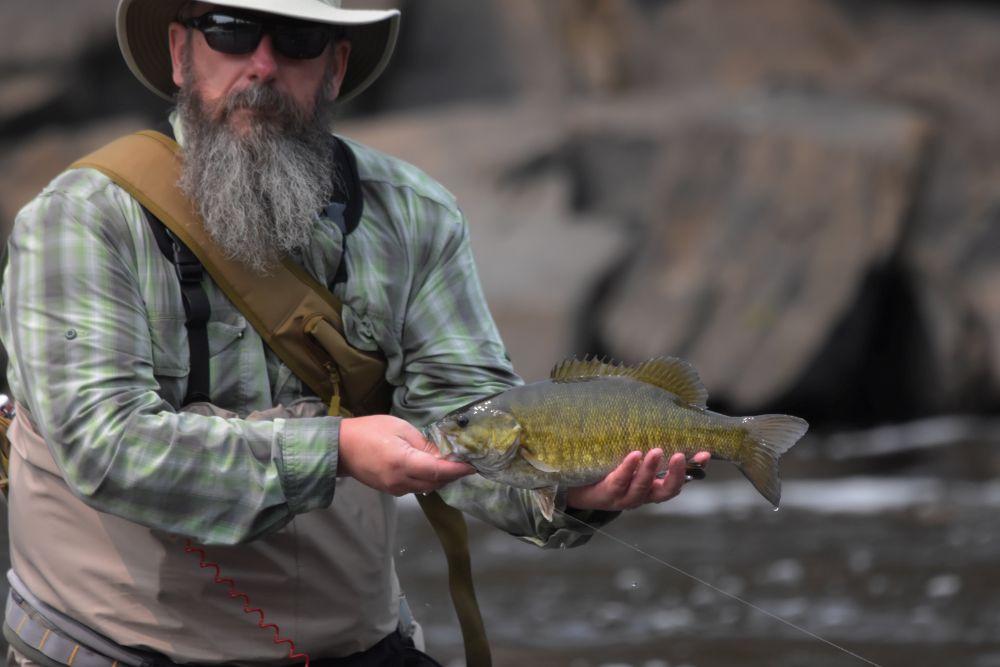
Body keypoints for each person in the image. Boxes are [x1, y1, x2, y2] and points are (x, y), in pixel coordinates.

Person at [0, 1, 710, 665]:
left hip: (353, 644)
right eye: (231, 31)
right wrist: (337, 449)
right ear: (182, 52)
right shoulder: (81, 220)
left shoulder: (418, 217)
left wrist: (574, 490)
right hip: (105, 646)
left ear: (335, 66)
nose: (264, 65)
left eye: (300, 40)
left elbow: (472, 428)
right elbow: (105, 444)